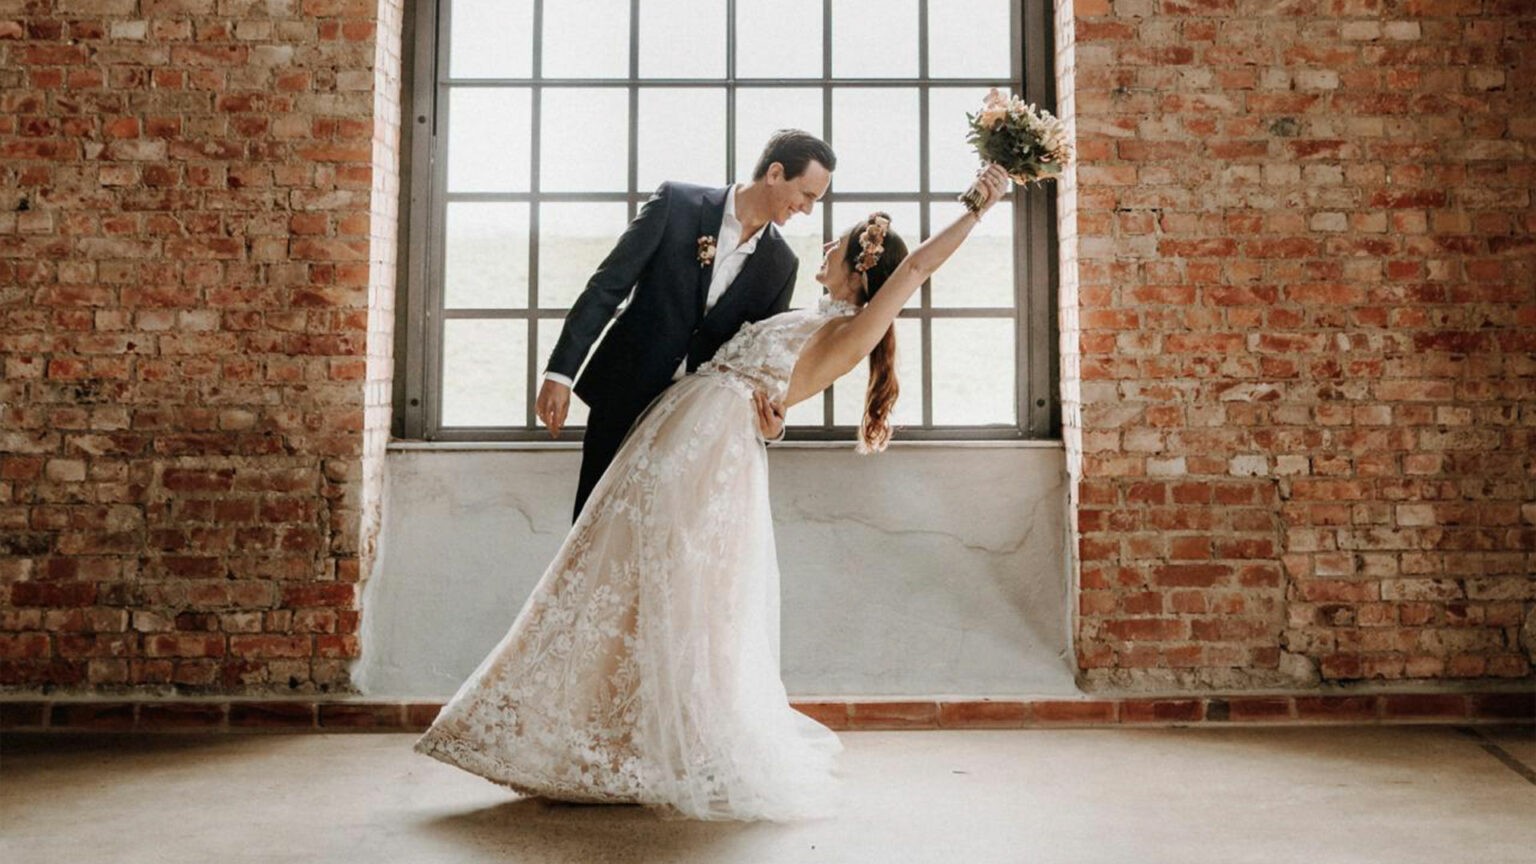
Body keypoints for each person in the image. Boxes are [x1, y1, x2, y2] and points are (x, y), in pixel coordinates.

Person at [413, 164, 1013, 822]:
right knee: (614, 581)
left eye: (836, 241)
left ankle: (662, 743)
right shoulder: (808, 311)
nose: (822, 241)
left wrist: (977, 206)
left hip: (708, 455)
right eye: (814, 208)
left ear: (860, 268)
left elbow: (917, 270)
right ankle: (595, 731)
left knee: (682, 595)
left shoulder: (854, 327)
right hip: (676, 435)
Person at [537, 130, 836, 522]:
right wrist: (561, 372)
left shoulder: (782, 263)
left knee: (662, 539)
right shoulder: (677, 204)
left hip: (693, 425)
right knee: (592, 527)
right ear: (776, 173)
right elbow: (606, 287)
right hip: (624, 395)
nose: (808, 209)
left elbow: (757, 358)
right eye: (807, 195)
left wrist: (772, 427)